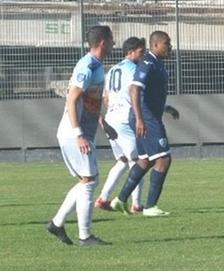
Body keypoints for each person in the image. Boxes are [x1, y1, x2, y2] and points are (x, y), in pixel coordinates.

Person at [46, 25, 113, 246]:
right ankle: (85, 236)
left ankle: (57, 223)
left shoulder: (96, 65)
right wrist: (79, 134)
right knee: (90, 181)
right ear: (103, 42)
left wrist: (102, 122)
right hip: (74, 133)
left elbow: (88, 101)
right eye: (111, 40)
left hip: (80, 132)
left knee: (87, 180)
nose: (114, 43)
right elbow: (72, 99)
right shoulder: (87, 65)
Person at [112, 31, 181, 216]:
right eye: (167, 43)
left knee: (145, 160)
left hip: (148, 115)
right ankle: (150, 206)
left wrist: (166, 108)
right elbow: (135, 89)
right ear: (156, 45)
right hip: (147, 118)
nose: (170, 46)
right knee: (164, 159)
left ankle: (120, 199)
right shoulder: (148, 63)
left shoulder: (157, 64)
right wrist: (140, 118)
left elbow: (150, 95)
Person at [96, 36, 146, 215]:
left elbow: (106, 97)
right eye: (141, 52)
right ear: (130, 52)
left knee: (122, 161)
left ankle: (102, 198)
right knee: (139, 161)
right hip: (125, 119)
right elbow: (138, 94)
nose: (143, 55)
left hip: (111, 118)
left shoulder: (112, 70)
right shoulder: (135, 69)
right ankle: (136, 204)